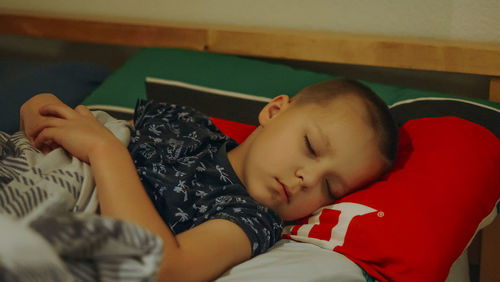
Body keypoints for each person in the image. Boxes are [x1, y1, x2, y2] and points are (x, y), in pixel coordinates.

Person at [20, 78, 398, 281]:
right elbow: (87, 128)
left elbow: (163, 269)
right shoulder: (183, 123)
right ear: (276, 110)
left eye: (330, 188)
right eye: (311, 147)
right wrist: (43, 110)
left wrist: (106, 152)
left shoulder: (251, 218)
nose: (307, 179)